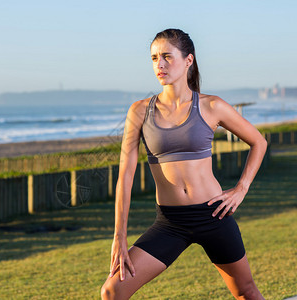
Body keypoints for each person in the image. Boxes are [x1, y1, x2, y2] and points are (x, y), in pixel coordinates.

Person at [100, 28, 268, 299]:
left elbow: (259, 142)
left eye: (167, 56)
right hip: (170, 222)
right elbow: (125, 176)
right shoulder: (140, 111)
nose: (160, 64)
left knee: (245, 291)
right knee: (112, 290)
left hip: (214, 215)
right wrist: (120, 235)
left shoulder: (212, 106)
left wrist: (241, 189)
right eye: (154, 58)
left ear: (188, 60)